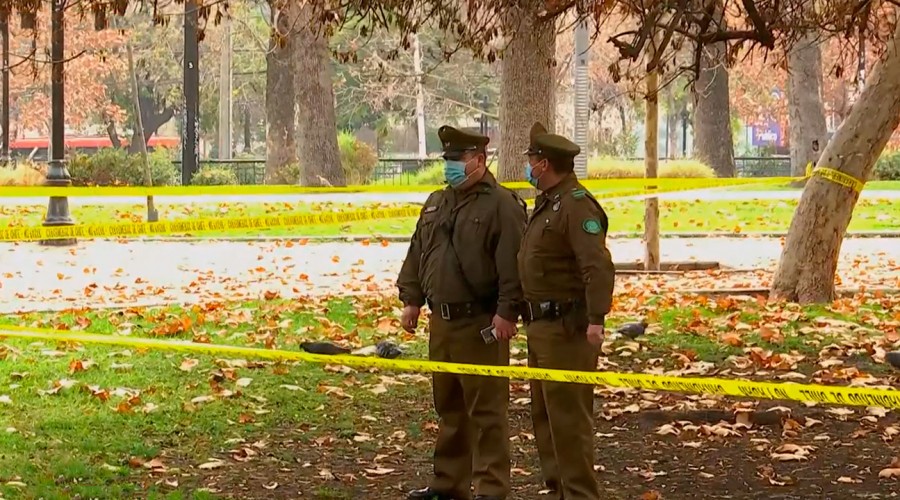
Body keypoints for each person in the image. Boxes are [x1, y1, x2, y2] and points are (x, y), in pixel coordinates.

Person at [397, 125, 528, 500]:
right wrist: (412, 299)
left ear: (479, 160)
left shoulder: (501, 204)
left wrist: (506, 313)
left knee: (486, 412)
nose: (451, 166)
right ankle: (449, 484)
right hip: (442, 323)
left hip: (481, 324)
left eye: (457, 159)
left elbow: (512, 265)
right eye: (448, 160)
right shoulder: (438, 201)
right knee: (449, 407)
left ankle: (491, 488)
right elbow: (418, 252)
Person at [517, 122, 615, 500]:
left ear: (544, 164)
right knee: (545, 419)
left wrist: (596, 320)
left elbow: (597, 266)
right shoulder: (548, 204)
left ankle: (579, 494)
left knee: (569, 424)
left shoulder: (576, 205)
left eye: (532, 160)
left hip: (567, 329)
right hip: (540, 326)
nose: (529, 167)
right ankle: (559, 490)